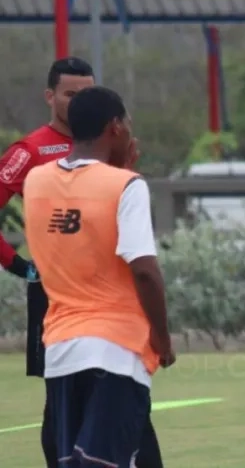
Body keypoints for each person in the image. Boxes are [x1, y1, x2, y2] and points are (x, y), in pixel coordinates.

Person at [0, 58, 165, 468]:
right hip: (62, 294)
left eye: (85, 91)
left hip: (97, 296)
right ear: (50, 97)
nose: (78, 100)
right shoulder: (31, 155)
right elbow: (142, 262)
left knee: (93, 407)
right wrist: (19, 266)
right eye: (71, 93)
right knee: (64, 410)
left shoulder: (106, 165)